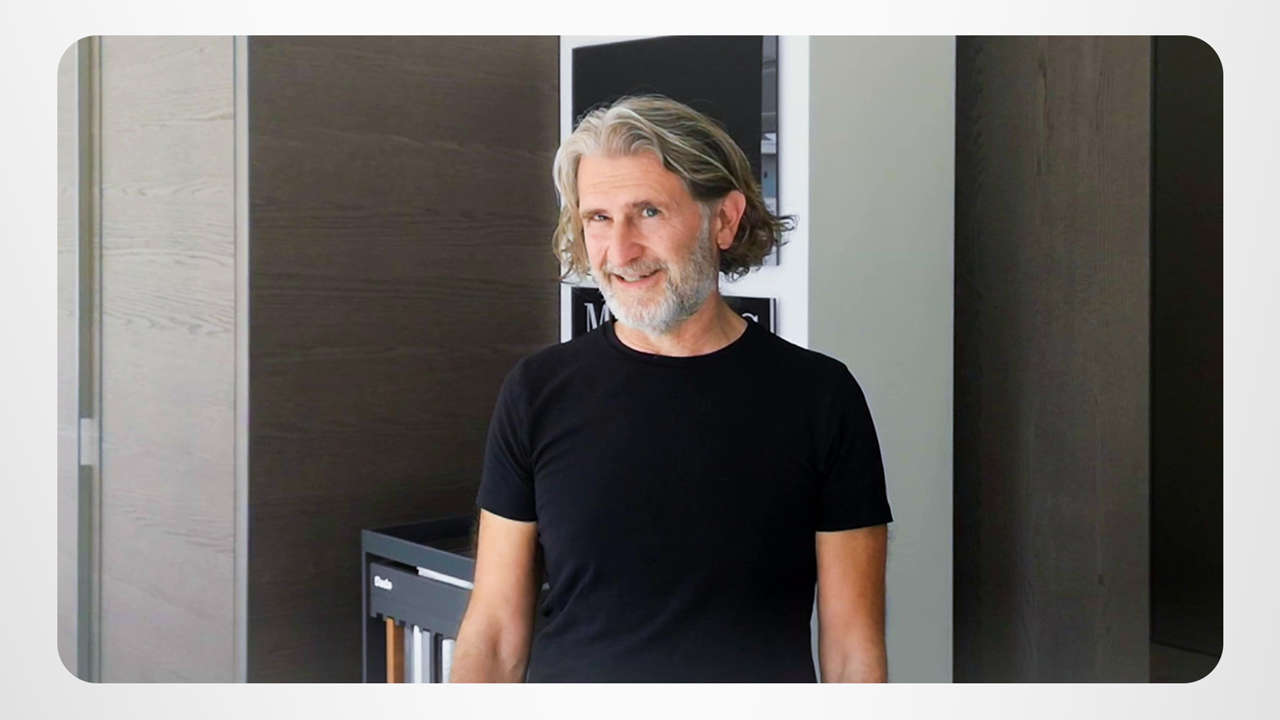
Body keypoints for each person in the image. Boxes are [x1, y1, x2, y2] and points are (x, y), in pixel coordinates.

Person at [450, 95, 892, 683]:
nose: (620, 251)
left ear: (725, 220)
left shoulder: (821, 397)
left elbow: (852, 649)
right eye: (598, 218)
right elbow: (493, 634)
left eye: (649, 212)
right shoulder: (536, 392)